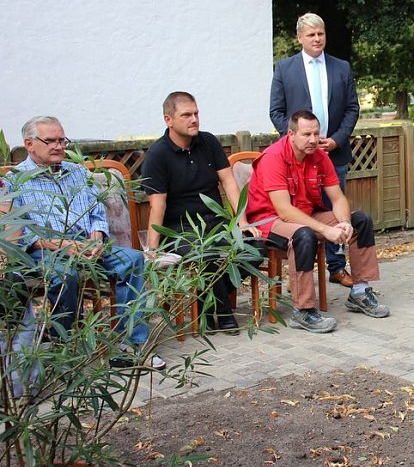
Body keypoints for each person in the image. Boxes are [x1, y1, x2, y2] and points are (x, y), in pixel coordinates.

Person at [2, 116, 164, 369]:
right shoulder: (15, 181)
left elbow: (96, 212)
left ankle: (131, 345)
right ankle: (62, 346)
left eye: (62, 140)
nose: (59, 146)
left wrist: (97, 237)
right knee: (65, 274)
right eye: (51, 141)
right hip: (44, 250)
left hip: (86, 245)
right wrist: (62, 245)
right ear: (30, 144)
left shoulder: (76, 171)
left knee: (132, 260)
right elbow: (19, 233)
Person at [246, 110, 389, 334]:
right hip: (269, 220)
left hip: (305, 214)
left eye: (316, 133)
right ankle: (303, 311)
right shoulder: (274, 157)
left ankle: (359, 292)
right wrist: (325, 230)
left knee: (360, 220)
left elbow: (338, 197)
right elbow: (284, 211)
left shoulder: (319, 156)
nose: (313, 140)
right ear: (291, 134)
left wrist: (343, 223)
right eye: (306, 134)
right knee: (304, 234)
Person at [141, 92, 261, 335]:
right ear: (169, 119)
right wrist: (152, 251)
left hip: (215, 223)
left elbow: (228, 183)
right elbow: (157, 206)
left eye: (196, 113)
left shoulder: (208, 142)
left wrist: (243, 222)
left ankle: (205, 301)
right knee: (206, 253)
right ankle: (224, 314)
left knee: (255, 246)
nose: (194, 119)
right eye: (186, 115)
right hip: (179, 230)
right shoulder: (157, 155)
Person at [269, 13, 360, 288]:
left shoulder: (341, 67)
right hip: (297, 159)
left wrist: (336, 140)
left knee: (337, 209)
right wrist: (301, 141)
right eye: (311, 34)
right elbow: (276, 111)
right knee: (301, 214)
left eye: (320, 33)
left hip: (334, 153)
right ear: (299, 37)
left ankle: (336, 267)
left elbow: (352, 108)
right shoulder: (285, 69)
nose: (317, 39)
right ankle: (304, 271)